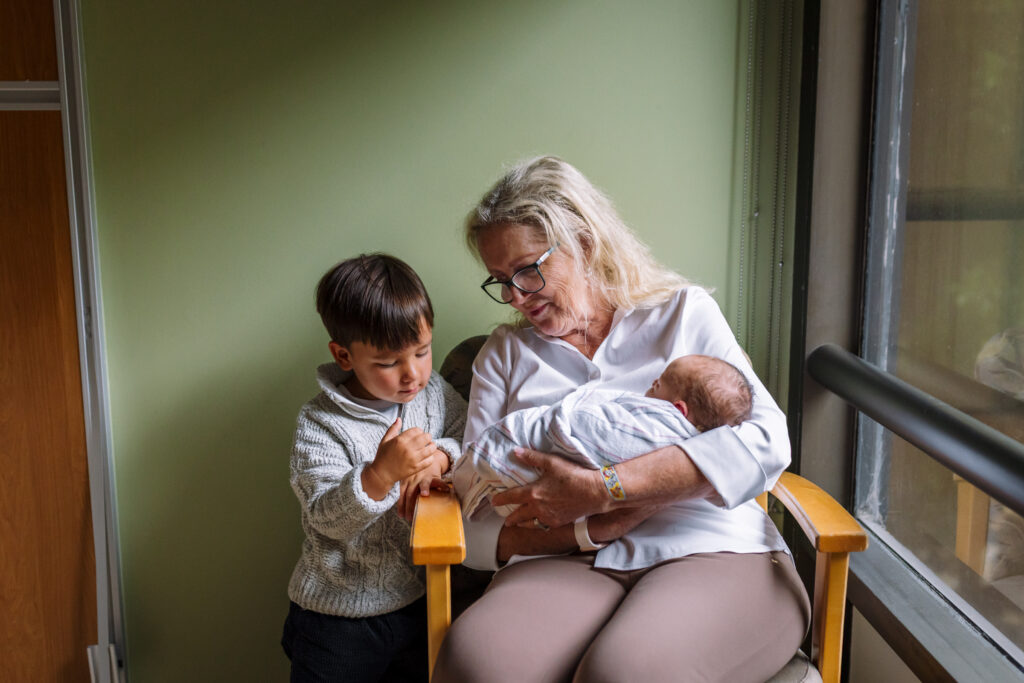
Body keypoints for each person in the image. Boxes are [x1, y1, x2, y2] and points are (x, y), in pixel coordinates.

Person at [434, 157, 810, 683]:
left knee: (627, 673)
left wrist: (606, 489)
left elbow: (767, 442)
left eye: (528, 270)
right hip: (561, 559)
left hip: (711, 546)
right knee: (476, 665)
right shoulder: (503, 355)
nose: (517, 296)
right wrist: (592, 529)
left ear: (583, 241)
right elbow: (474, 520)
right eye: (500, 281)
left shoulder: (682, 314)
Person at [281, 254, 467, 683]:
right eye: (388, 362)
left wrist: (438, 457)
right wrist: (380, 474)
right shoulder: (320, 423)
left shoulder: (433, 391)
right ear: (344, 355)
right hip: (339, 618)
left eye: (422, 351)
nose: (412, 374)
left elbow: (467, 437)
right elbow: (326, 518)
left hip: (418, 599)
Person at [461, 354, 753, 521]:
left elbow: (598, 430)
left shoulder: (659, 426)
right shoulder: (502, 351)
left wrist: (601, 486)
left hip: (699, 542)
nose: (651, 385)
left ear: (678, 409)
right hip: (557, 534)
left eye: (659, 383)